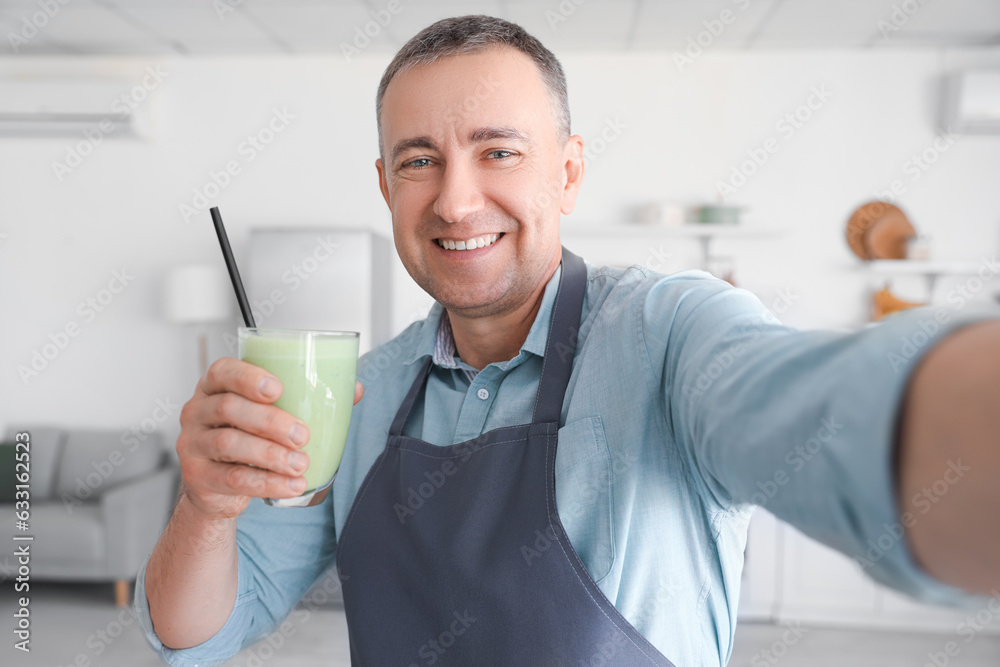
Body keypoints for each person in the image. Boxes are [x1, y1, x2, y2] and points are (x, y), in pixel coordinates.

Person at [137, 15, 1000, 667]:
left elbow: (832, 409)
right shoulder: (361, 393)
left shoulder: (669, 334)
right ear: (385, 185)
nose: (456, 201)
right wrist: (205, 507)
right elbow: (199, 633)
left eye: (499, 151)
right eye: (418, 160)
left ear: (570, 171)